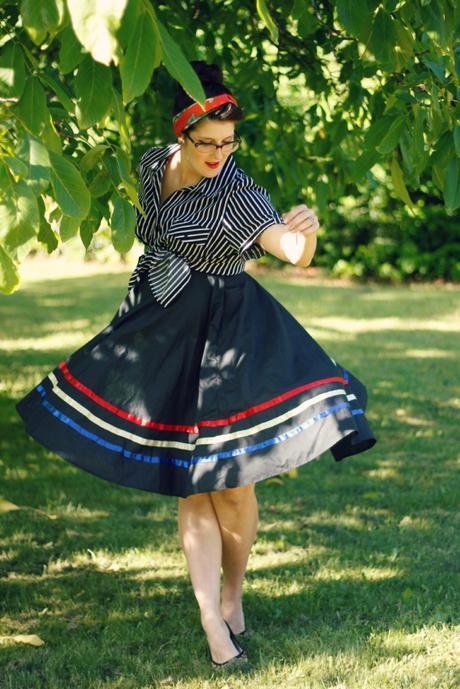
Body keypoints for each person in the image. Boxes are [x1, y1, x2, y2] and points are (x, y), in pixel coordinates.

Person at [15, 60, 377, 670]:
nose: (219, 154)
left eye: (229, 142)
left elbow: (287, 248)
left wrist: (304, 234)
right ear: (181, 135)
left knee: (231, 483)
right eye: (207, 142)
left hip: (226, 330)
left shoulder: (236, 190)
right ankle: (212, 618)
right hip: (159, 320)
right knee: (192, 479)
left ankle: (230, 597)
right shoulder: (150, 165)